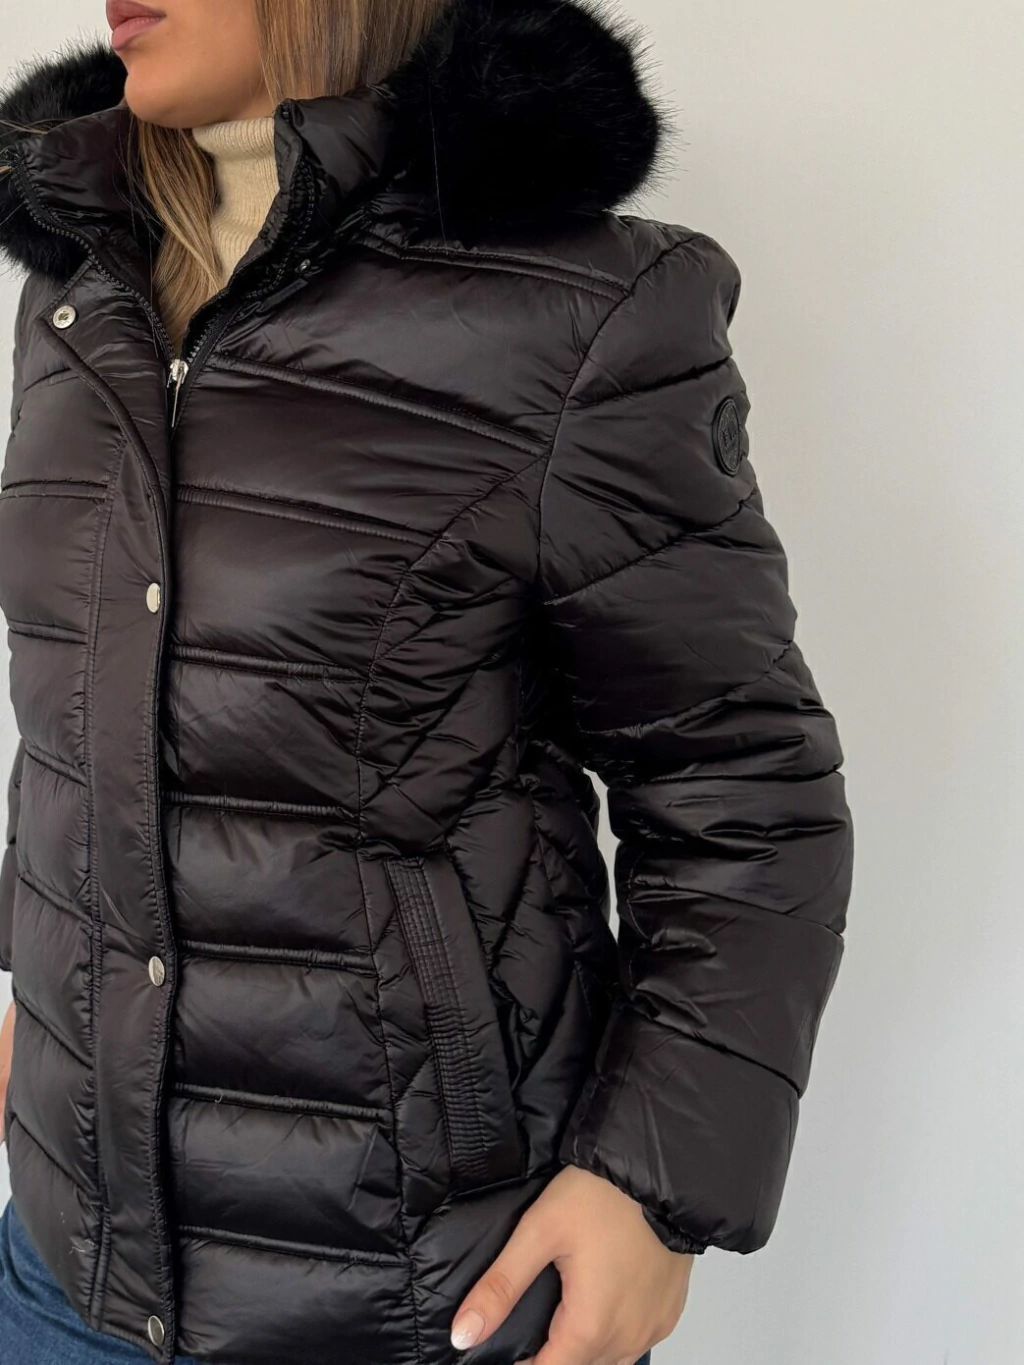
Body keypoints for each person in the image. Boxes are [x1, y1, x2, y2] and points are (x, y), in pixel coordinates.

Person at [0, 1, 855, 1363]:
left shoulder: (577, 312)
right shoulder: (82, 288)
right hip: (69, 1269)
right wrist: (47, 998)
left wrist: (655, 1187)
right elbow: (78, 718)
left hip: (420, 1293)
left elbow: (741, 788)